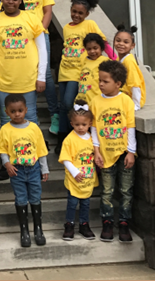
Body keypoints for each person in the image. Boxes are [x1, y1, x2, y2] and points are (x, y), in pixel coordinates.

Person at [0, 0, 47, 125]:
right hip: (3, 81)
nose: (10, 2)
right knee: (6, 119)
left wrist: (41, 76)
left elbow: (42, 49)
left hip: (28, 80)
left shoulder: (32, 19)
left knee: (30, 117)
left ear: (20, 0)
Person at [91, 60, 137, 243]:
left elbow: (131, 127)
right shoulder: (95, 101)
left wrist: (131, 152)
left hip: (123, 153)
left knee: (126, 190)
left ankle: (124, 223)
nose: (101, 84)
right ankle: (107, 222)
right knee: (107, 191)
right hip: (105, 154)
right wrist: (96, 152)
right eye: (100, 80)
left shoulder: (125, 100)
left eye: (105, 81)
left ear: (118, 83)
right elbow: (94, 128)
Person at [0, 94, 49, 248]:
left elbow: (41, 149)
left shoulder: (34, 128)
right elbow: (3, 150)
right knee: (21, 199)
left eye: (20, 110)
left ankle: (38, 229)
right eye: (13, 111)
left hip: (33, 169)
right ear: (7, 112)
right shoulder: (5, 129)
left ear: (26, 110)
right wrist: (7, 165)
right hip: (16, 170)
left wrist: (43, 168)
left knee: (35, 198)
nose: (17, 114)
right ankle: (24, 230)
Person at [14, 0, 59, 134]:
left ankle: (54, 114)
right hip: (20, 37)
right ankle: (28, 112)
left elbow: (48, 11)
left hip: (40, 35)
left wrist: (40, 31)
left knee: (45, 74)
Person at [59, 0, 110, 135]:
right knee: (63, 105)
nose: (76, 15)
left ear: (86, 14)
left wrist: (113, 59)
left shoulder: (90, 24)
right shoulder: (66, 28)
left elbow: (102, 41)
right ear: (70, 9)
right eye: (74, 11)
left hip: (78, 72)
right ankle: (64, 136)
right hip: (64, 71)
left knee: (70, 103)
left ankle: (75, 132)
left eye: (80, 13)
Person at [59, 102, 98, 241]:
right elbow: (65, 158)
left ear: (90, 124)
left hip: (87, 178)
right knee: (72, 203)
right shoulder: (69, 140)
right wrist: (75, 172)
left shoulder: (93, 139)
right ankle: (69, 224)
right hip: (74, 179)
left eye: (84, 124)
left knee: (86, 203)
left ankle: (84, 224)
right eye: (77, 125)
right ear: (71, 124)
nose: (80, 128)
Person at [112, 25, 147, 111]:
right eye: (118, 40)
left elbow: (134, 84)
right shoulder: (118, 60)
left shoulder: (129, 61)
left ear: (132, 45)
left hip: (130, 100)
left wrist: (136, 105)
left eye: (126, 42)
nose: (121, 44)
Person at [77, 34, 109, 104]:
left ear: (101, 48)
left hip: (97, 102)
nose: (92, 51)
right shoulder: (85, 61)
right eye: (89, 49)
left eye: (95, 48)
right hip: (82, 102)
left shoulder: (105, 62)